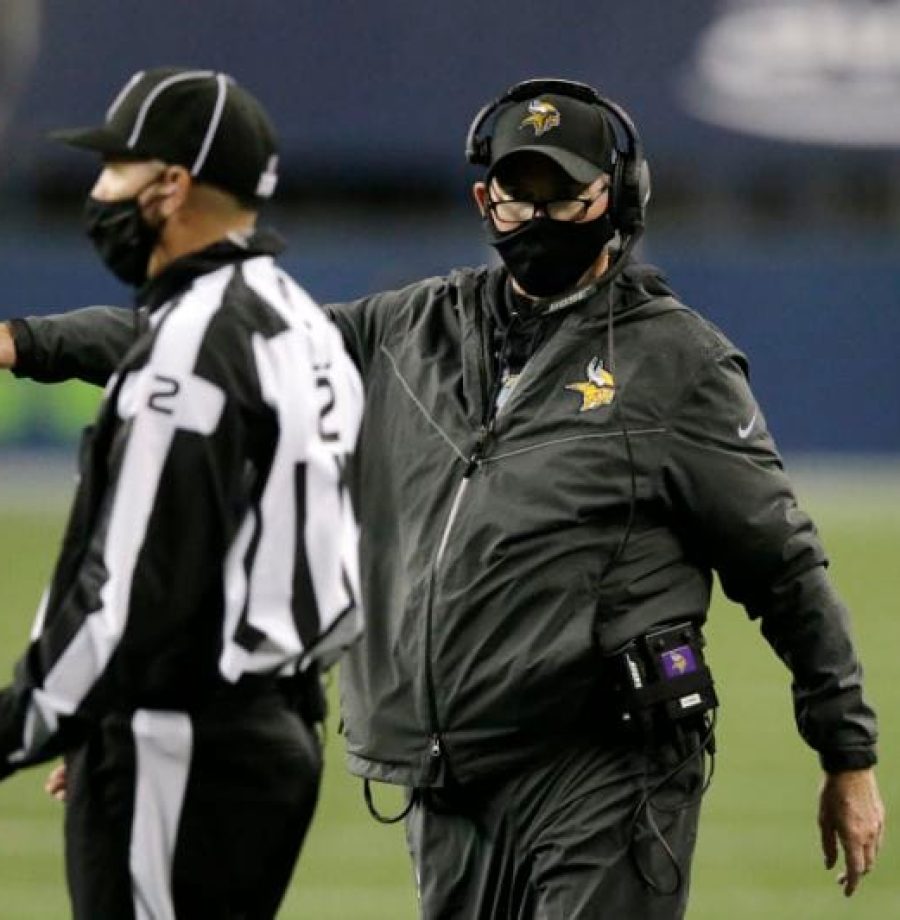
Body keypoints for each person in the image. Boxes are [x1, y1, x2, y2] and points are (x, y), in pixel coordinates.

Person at [0, 78, 884, 918]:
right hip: (448, 777)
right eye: (516, 192)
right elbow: (221, 343)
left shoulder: (677, 364)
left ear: (618, 198)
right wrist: (26, 342)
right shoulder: (407, 327)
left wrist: (846, 752)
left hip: (603, 770)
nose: (537, 216)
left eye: (564, 194)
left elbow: (782, 565)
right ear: (482, 202)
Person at [0, 67, 363, 919]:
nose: (99, 191)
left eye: (116, 169)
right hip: (274, 724)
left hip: (186, 734)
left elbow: (128, 595)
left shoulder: (194, 346)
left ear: (171, 185)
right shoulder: (295, 321)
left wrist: (38, 717)